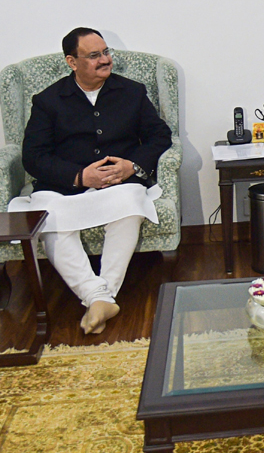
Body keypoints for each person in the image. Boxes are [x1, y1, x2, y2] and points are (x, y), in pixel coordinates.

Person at [9, 28, 172, 334]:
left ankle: (99, 297)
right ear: (72, 62)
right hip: (62, 189)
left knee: (131, 205)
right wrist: (79, 176)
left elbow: (159, 135)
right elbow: (33, 156)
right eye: (94, 55)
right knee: (50, 220)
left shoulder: (132, 92)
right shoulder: (47, 101)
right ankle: (99, 297)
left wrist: (131, 166)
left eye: (106, 52)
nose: (105, 60)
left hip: (117, 185)